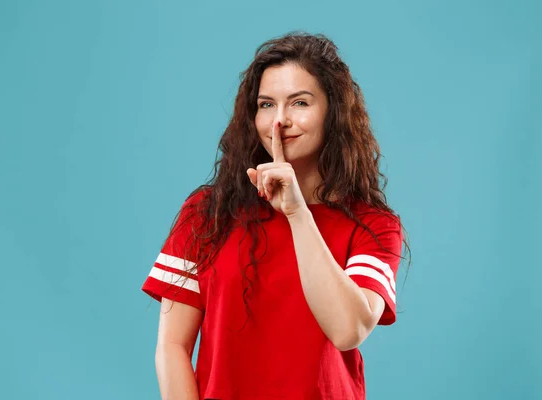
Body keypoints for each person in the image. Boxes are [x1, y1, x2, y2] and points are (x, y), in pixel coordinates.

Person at [141, 31, 409, 400]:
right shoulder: (208, 212)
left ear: (333, 111)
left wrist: (298, 213)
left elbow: (349, 329)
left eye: (300, 102)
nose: (279, 121)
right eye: (266, 105)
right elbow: (172, 348)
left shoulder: (373, 224)